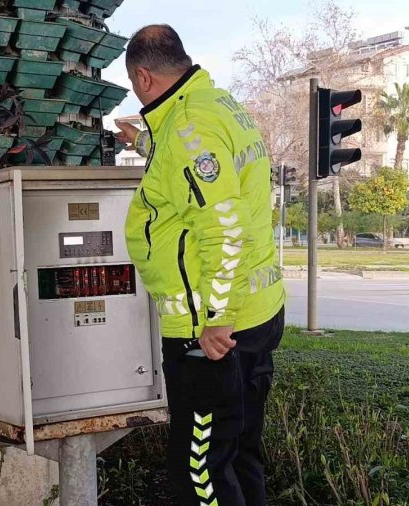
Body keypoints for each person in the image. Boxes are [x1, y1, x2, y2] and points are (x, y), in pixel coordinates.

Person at [116, 25, 287, 506]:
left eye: (133, 83)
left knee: (202, 471)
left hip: (210, 331)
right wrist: (145, 145)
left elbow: (222, 226)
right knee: (241, 451)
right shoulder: (216, 106)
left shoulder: (188, 127)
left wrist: (216, 319)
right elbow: (201, 173)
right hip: (257, 311)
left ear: (144, 77)